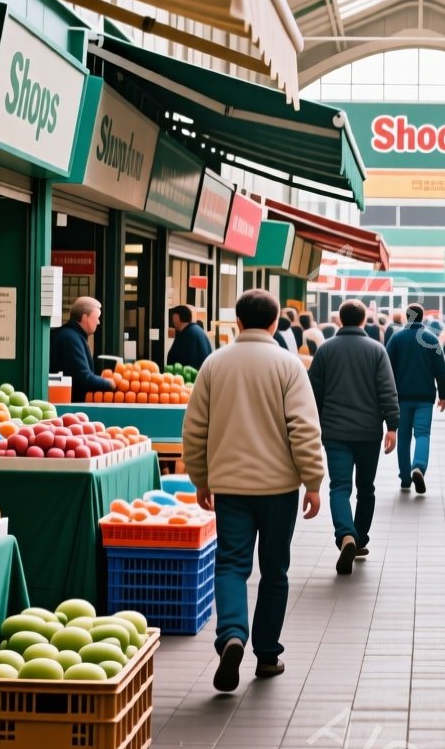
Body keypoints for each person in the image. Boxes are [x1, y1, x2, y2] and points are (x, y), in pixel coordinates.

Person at [183, 289, 324, 692]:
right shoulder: (289, 365)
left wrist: (201, 478)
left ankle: (231, 634)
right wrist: (312, 481)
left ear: (239, 323)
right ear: (276, 323)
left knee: (230, 564)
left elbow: (194, 429)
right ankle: (266, 655)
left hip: (229, 487)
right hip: (279, 489)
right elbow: (304, 428)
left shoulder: (214, 364)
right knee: (274, 570)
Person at [308, 299, 399, 575]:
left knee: (339, 487)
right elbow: (387, 390)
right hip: (369, 432)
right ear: (363, 321)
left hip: (334, 432)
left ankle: (345, 535)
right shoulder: (376, 350)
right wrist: (392, 425)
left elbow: (313, 393)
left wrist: (315, 424)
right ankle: (359, 539)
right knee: (366, 488)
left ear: (340, 321)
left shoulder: (325, 350)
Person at [385, 303, 445, 494]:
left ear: (406, 317)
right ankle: (418, 466)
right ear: (421, 317)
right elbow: (440, 369)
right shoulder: (431, 338)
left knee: (403, 437)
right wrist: (443, 395)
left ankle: (405, 478)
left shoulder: (396, 338)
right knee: (422, 434)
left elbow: (386, 369)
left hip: (400, 398)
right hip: (425, 397)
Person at [50, 297, 116, 402]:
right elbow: (83, 378)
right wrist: (111, 383)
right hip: (68, 406)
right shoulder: (70, 338)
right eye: (97, 317)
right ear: (85, 317)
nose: (98, 322)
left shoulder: (70, 335)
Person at [166, 305, 213, 371]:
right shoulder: (196, 330)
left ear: (177, 317)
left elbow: (187, 362)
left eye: (173, 317)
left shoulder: (189, 334)